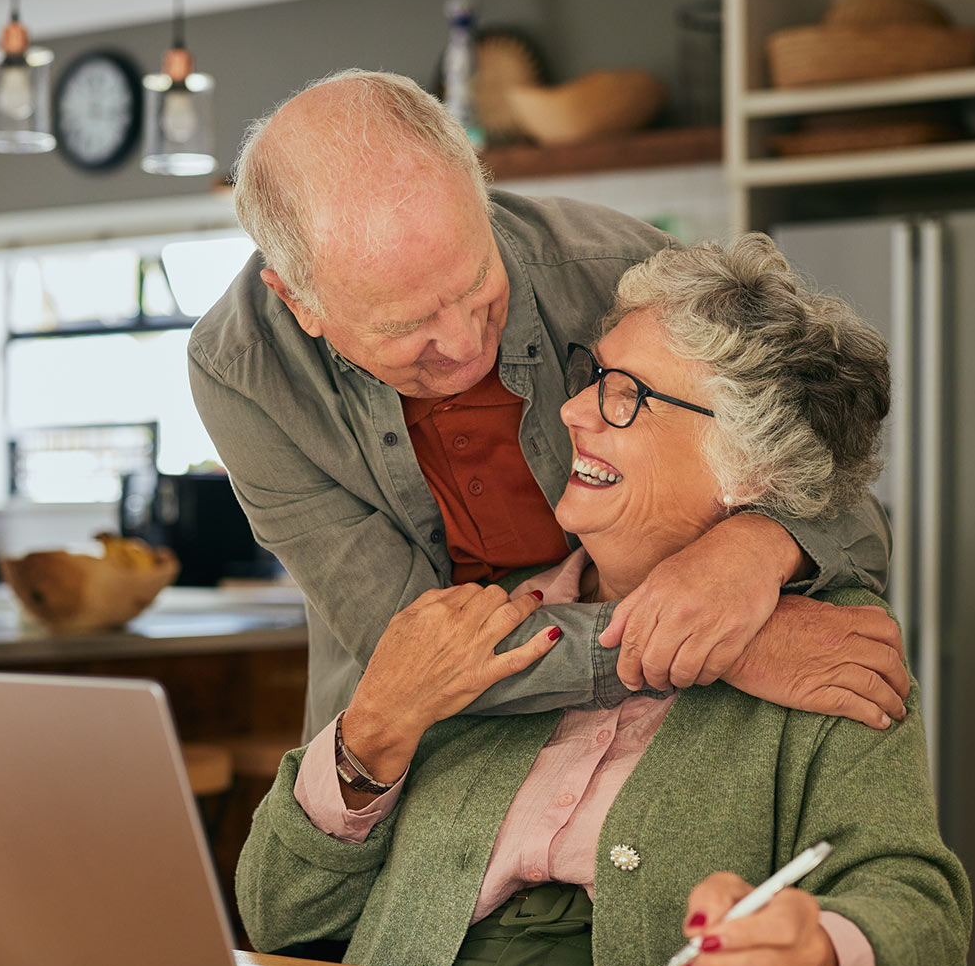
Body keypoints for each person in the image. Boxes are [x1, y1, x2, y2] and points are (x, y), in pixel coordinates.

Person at [236, 235, 971, 966]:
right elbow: (278, 918)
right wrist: (372, 738)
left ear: (750, 468)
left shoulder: (829, 644)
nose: (572, 409)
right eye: (595, 377)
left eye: (626, 396)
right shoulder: (485, 618)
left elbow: (919, 909)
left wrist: (814, 952)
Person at [189, 70, 907, 740]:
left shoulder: (630, 279)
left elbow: (838, 496)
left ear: (481, 192)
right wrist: (710, 648)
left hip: (658, 734)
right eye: (408, 326)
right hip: (416, 754)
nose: (466, 345)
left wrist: (757, 546)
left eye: (477, 282)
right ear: (298, 302)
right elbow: (407, 644)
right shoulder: (242, 370)